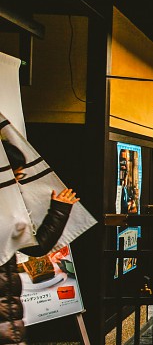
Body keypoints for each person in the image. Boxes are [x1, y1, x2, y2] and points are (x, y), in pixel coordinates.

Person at [1, 141, 80, 344]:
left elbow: (37, 246)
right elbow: (37, 247)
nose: (18, 187)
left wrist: (59, 210)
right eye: (15, 179)